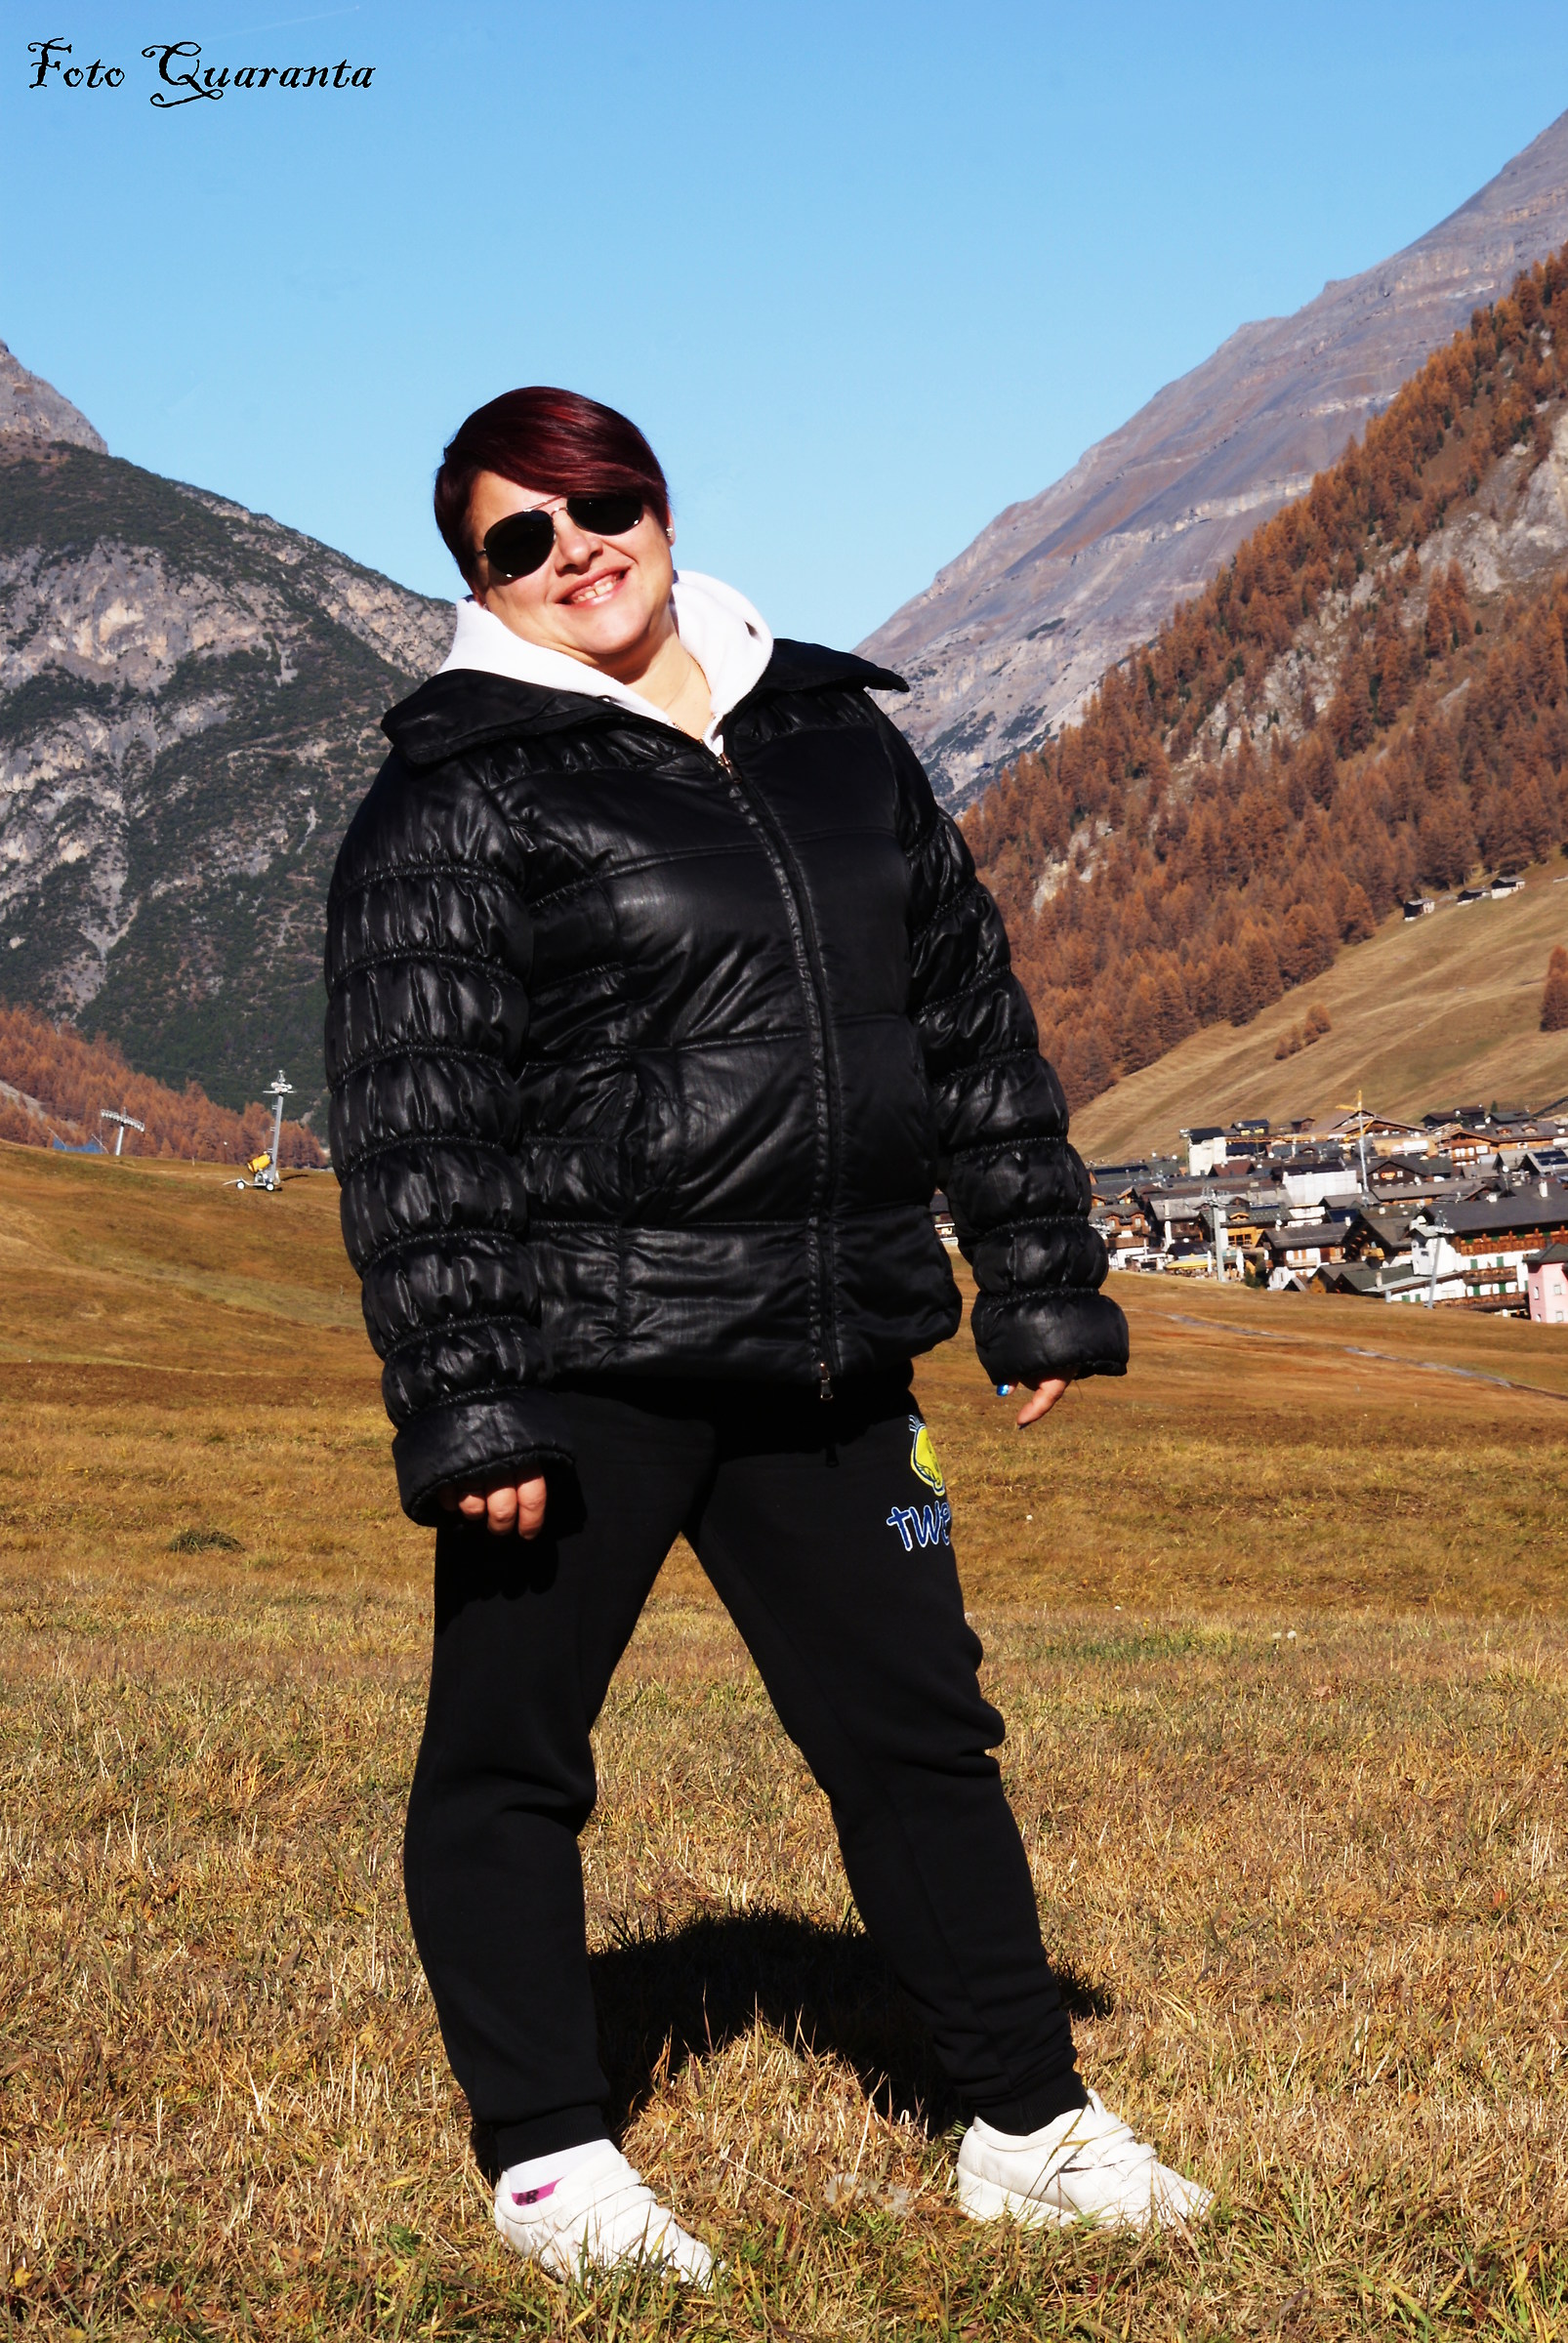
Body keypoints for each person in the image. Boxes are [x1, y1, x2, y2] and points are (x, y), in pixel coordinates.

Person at [323, 388, 1212, 2284]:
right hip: (585, 1368)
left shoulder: (826, 733)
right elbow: (417, 1122)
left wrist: (1034, 1269)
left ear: (656, 501)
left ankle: (1027, 2126)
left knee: (920, 1741)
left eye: (598, 503)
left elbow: (961, 1013)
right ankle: (550, 2162)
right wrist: (469, 1398)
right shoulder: (455, 788)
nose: (574, 551)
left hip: (832, 1352)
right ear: (475, 576)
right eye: (516, 538)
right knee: (509, 1759)